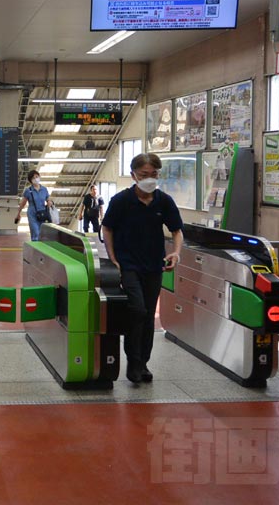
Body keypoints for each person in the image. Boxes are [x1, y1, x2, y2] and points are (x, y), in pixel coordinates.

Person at [101, 153, 184, 385]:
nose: (150, 179)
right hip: (128, 265)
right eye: (144, 175)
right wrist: (113, 257)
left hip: (154, 266)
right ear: (133, 176)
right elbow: (107, 228)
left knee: (147, 315)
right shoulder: (121, 201)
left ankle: (142, 363)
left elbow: (177, 231)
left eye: (154, 175)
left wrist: (176, 252)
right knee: (136, 310)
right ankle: (134, 360)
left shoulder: (163, 201)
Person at [14, 170, 52, 241]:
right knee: (36, 233)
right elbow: (23, 203)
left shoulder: (44, 189)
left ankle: (39, 248)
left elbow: (48, 198)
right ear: (30, 181)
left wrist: (49, 201)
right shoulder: (28, 191)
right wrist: (18, 213)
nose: (35, 179)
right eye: (33, 178)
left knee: (41, 233)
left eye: (37, 177)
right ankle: (35, 248)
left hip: (42, 214)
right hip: (32, 214)